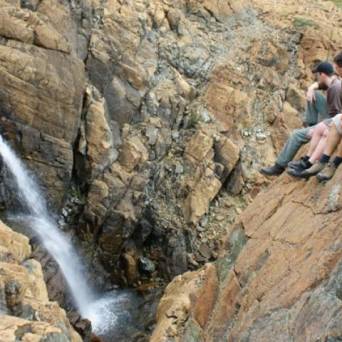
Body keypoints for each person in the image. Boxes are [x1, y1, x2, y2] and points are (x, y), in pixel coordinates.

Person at [260, 58, 342, 176]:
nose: (317, 78)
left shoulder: (335, 89)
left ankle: (278, 167)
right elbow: (322, 86)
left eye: (318, 75)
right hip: (331, 115)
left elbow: (335, 116)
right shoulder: (335, 81)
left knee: (296, 135)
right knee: (315, 94)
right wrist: (312, 88)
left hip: (333, 120)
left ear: (322, 75)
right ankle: (311, 124)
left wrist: (317, 129)